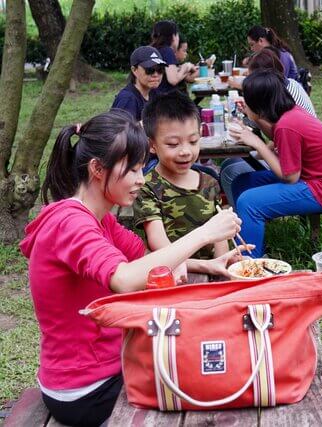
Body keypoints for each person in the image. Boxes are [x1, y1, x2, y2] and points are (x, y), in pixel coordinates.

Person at [19, 110, 244, 426]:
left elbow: (147, 260)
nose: (141, 179)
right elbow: (124, 279)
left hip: (105, 367)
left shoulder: (100, 219)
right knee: (213, 376)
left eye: (142, 168)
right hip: (86, 388)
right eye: (133, 170)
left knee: (211, 354)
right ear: (98, 169)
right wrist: (204, 233)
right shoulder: (70, 222)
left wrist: (206, 263)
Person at [228, 71, 322, 257]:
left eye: (247, 100)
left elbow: (290, 177)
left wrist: (256, 142)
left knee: (248, 202)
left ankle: (249, 261)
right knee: (241, 183)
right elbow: (275, 139)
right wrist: (253, 117)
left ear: (260, 104)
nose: (244, 102)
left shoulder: (288, 125)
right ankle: (251, 239)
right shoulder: (289, 114)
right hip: (310, 178)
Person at [134, 91, 237, 278]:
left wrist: (224, 265)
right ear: (151, 145)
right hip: (172, 275)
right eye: (173, 144)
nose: (185, 151)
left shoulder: (209, 182)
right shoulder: (147, 187)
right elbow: (161, 249)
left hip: (212, 271)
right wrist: (208, 266)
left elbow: (220, 237)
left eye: (193, 141)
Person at [220, 48, 317, 206]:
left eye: (252, 77)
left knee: (233, 175)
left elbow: (291, 175)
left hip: (308, 176)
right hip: (299, 162)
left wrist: (257, 135)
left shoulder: (286, 108)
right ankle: (246, 220)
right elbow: (279, 137)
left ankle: (244, 218)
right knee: (234, 172)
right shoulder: (284, 91)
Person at [111, 46, 166, 122]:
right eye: (150, 70)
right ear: (134, 70)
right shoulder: (128, 99)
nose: (155, 74)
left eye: (160, 69)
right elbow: (121, 131)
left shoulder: (155, 94)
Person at [150, 20, 197, 94]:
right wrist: (185, 67)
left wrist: (185, 69)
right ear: (173, 36)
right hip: (165, 99)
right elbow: (173, 80)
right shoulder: (167, 51)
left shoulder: (152, 49)